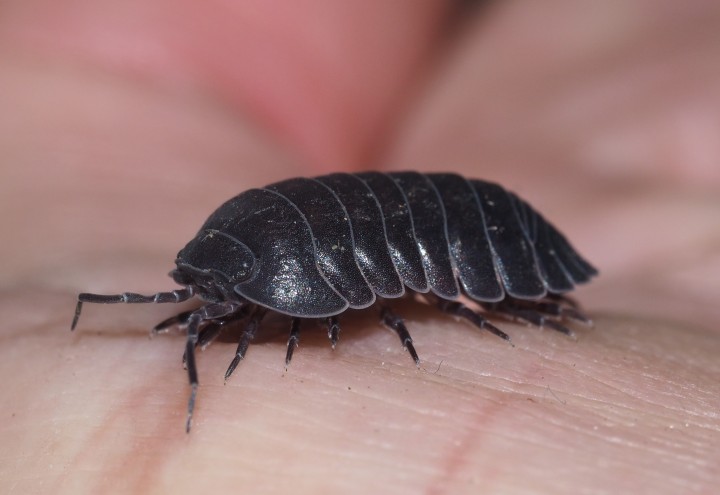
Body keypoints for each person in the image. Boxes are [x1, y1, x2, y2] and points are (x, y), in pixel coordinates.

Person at [2, 1, 718, 493]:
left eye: (223, 294)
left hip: (486, 223)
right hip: (437, 213)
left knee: (434, 269)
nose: (204, 308)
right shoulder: (262, 243)